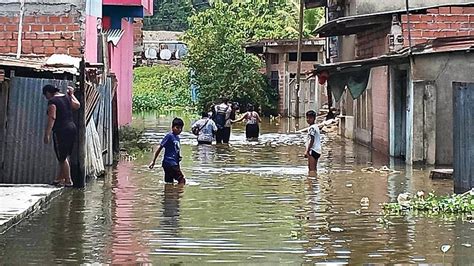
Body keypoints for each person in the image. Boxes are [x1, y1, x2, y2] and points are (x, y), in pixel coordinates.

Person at [43, 84, 80, 187]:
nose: (46, 98)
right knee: (64, 155)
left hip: (61, 130)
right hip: (72, 128)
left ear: (48, 93)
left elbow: (52, 117)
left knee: (61, 157)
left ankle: (68, 181)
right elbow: (77, 105)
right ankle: (59, 179)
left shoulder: (52, 101)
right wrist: (72, 95)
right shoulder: (66, 97)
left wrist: (47, 134)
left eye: (45, 95)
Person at [149, 118, 186, 184]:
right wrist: (153, 161)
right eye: (177, 128)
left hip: (174, 163)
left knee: (169, 183)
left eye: (181, 128)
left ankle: (169, 194)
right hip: (169, 163)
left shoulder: (177, 138)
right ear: (172, 127)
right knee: (182, 180)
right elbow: (160, 148)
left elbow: (176, 150)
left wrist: (178, 158)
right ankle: (180, 193)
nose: (179, 130)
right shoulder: (169, 136)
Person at [304, 110, 322, 177]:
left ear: (314, 118)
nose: (308, 119)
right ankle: (315, 182)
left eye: (310, 118)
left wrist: (307, 150)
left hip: (312, 150)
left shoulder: (312, 128)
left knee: (311, 170)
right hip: (318, 151)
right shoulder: (316, 126)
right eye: (307, 118)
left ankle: (311, 184)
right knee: (314, 169)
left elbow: (312, 139)